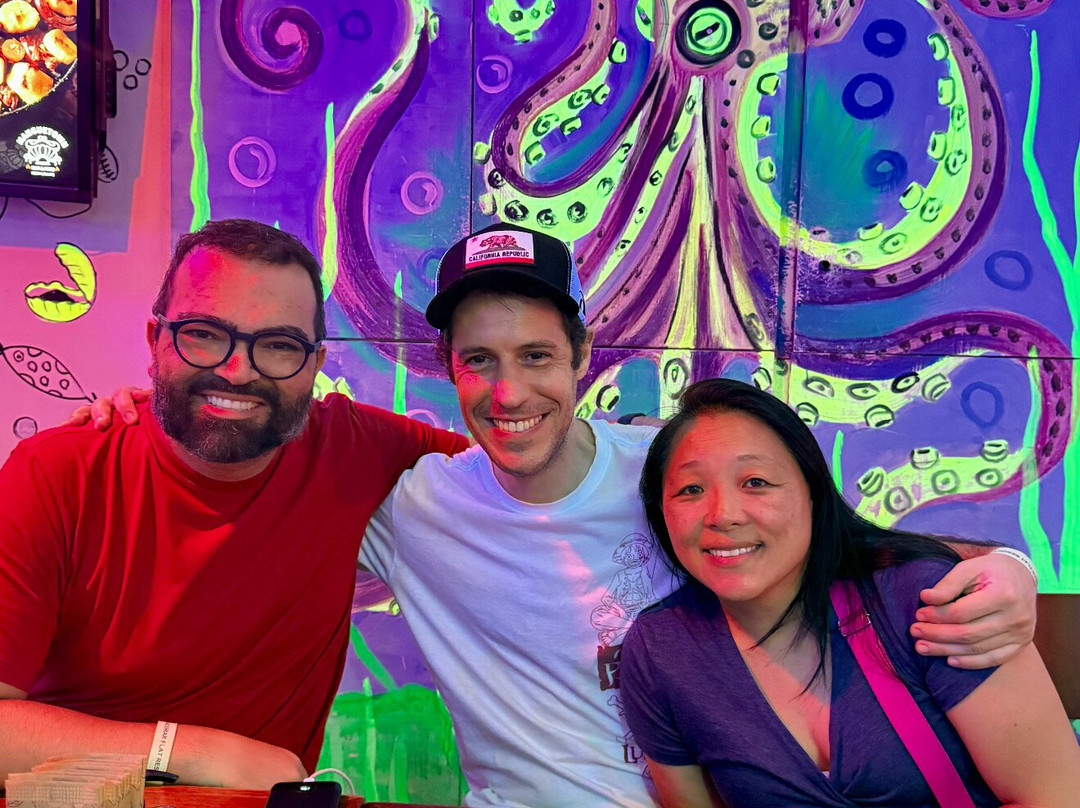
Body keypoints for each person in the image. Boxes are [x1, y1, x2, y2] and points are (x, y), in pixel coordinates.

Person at [82, 223, 1039, 807]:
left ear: (582, 356)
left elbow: (840, 546)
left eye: (536, 357)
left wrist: (1007, 570)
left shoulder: (675, 473)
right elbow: (250, 469)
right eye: (479, 362)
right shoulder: (415, 507)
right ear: (449, 371)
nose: (509, 394)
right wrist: (152, 421)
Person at [0, 219, 467, 787]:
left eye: (279, 345)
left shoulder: (352, 447)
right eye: (203, 334)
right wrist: (190, 752)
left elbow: (513, 463)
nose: (236, 371)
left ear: (315, 365)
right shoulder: (57, 472)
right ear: (155, 341)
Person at [621, 378, 1080, 807]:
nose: (723, 515)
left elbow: (1057, 796)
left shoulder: (922, 598)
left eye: (756, 482)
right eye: (690, 489)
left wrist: (1014, 562)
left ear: (813, 493)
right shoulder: (663, 649)